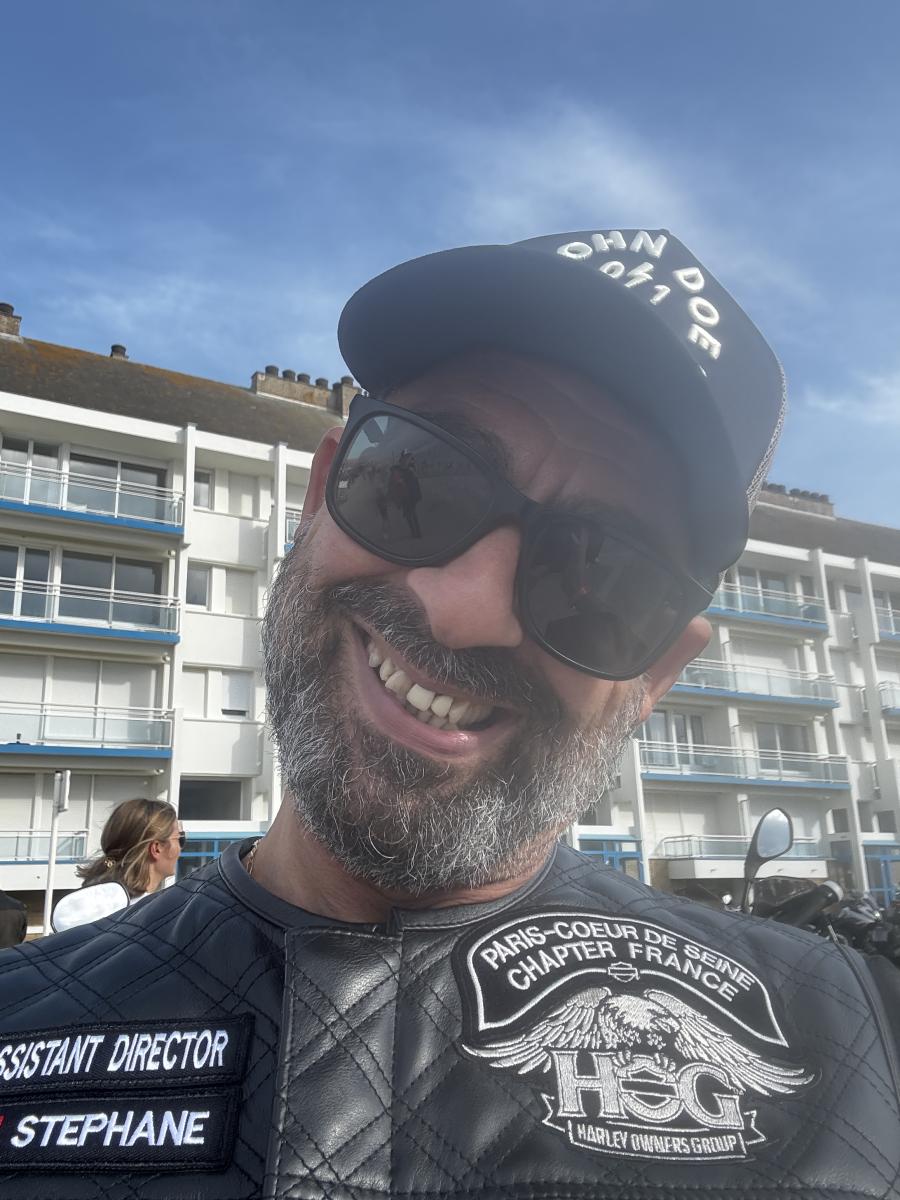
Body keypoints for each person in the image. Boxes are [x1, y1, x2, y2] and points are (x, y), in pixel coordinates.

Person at [0, 228, 898, 1197]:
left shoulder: (859, 1050)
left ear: (656, 677)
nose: (463, 610)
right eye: (419, 481)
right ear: (320, 495)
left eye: (601, 575)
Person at [76, 797, 184, 900]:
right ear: (156, 848)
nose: (180, 849)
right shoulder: (150, 910)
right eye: (180, 839)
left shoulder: (91, 899)